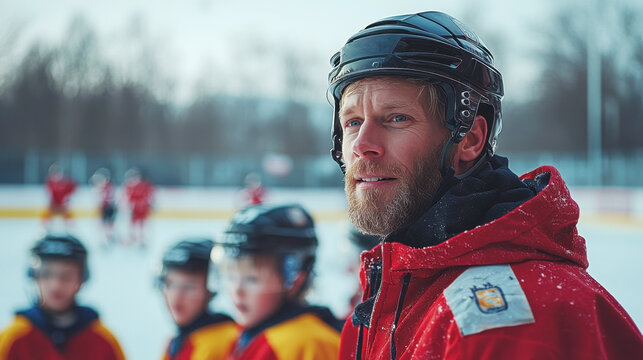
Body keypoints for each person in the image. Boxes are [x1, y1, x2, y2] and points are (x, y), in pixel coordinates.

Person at [326, 11, 643, 359]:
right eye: (353, 122)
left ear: (471, 139)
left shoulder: (507, 323)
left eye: (397, 118)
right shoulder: (384, 302)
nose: (361, 144)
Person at [211, 204, 341, 360]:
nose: (237, 291)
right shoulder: (247, 335)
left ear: (294, 280)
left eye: (252, 279)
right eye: (230, 277)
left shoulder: (305, 344)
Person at [0, 234, 125, 359]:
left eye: (66, 276)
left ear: (81, 279)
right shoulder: (13, 337)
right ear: (35, 277)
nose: (56, 285)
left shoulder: (103, 340)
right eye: (46, 274)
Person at [158, 238, 238, 360]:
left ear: (210, 290)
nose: (176, 296)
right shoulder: (177, 343)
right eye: (169, 284)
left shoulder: (222, 341)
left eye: (189, 286)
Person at [123, 167, 154, 246]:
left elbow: (149, 196)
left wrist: (150, 204)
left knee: (141, 224)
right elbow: (129, 197)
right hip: (135, 209)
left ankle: (140, 239)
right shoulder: (130, 186)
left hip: (141, 209)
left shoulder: (145, 185)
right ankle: (133, 238)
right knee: (133, 223)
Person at [42, 163, 77, 230]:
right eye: (54, 173)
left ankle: (70, 228)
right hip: (54, 205)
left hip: (63, 205)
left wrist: (67, 199)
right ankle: (46, 228)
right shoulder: (49, 183)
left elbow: (73, 188)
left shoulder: (65, 182)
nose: (55, 175)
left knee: (68, 217)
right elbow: (49, 195)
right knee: (46, 215)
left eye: (57, 172)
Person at [90, 168, 118, 245]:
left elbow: (108, 197)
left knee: (108, 223)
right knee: (105, 223)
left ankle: (108, 236)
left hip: (108, 207)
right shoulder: (107, 186)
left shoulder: (104, 187)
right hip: (107, 207)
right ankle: (106, 237)